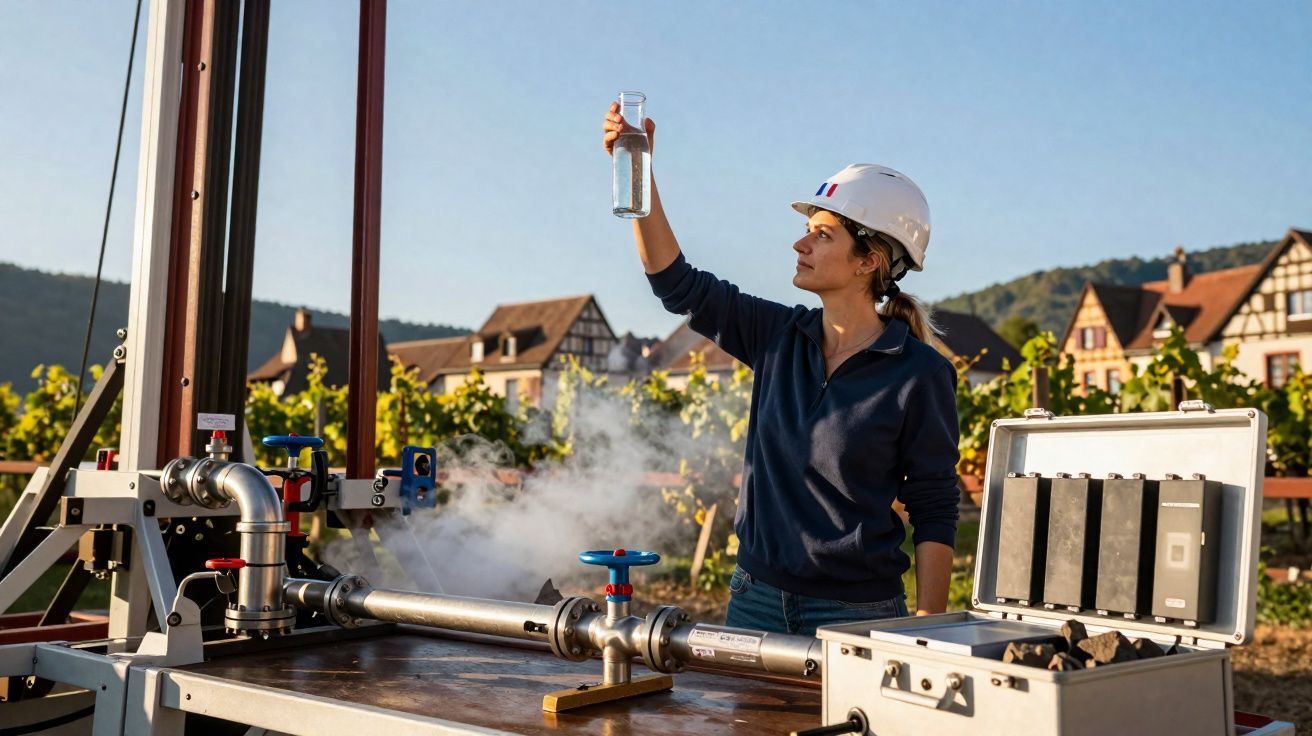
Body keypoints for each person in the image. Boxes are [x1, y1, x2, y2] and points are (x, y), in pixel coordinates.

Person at [602, 103, 961, 637]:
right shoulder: (776, 335)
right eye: (806, 230)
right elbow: (675, 284)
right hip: (755, 599)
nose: (800, 243)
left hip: (856, 614)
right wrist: (640, 171)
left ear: (868, 260)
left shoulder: (919, 374)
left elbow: (934, 504)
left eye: (823, 235)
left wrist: (931, 625)